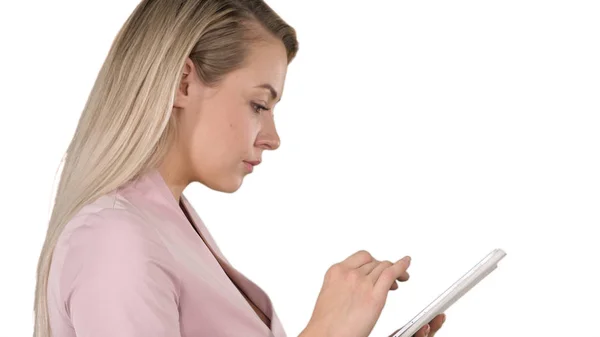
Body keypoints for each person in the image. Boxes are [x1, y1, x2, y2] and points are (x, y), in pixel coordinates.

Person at [33, 1, 447, 337]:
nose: (272, 136)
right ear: (182, 83)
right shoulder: (114, 238)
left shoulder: (166, 223)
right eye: (259, 105)